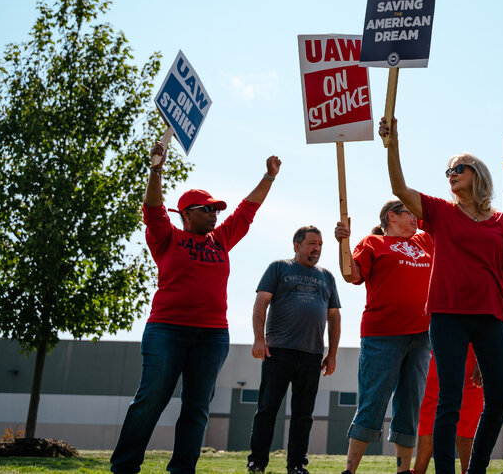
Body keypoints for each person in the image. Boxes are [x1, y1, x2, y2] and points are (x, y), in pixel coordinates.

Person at [111, 140, 280, 474]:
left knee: (197, 407)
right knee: (150, 400)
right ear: (187, 213)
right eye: (208, 209)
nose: (215, 214)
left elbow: (246, 210)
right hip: (167, 331)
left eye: (217, 209)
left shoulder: (222, 240)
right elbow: (153, 209)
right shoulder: (167, 237)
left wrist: (269, 177)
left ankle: (182, 469)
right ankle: (125, 467)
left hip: (212, 336)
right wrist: (156, 170)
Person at [380, 117, 503, 474]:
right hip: (447, 314)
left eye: (459, 168)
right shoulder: (440, 211)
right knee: (449, 398)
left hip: (491, 316)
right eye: (448, 170)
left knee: (498, 398)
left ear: (477, 174)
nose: (451, 173)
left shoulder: (500, 222)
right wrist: (394, 143)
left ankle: (475, 470)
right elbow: (400, 187)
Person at [334, 200, 434, 474]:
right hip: (383, 335)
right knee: (373, 402)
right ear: (391, 216)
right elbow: (350, 275)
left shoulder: (425, 241)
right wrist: (344, 242)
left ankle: (403, 471)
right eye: (408, 213)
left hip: (422, 336)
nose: (415, 218)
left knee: (409, 405)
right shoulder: (373, 243)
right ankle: (350, 470)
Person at [247, 226, 341, 474]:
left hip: (312, 355)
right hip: (278, 351)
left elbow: (334, 317)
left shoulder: (327, 277)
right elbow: (261, 302)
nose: (317, 249)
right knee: (267, 409)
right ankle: (257, 461)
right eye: (312, 243)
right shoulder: (279, 267)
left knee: (303, 414)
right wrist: (259, 338)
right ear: (296, 245)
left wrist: (332, 354)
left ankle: (297, 464)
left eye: (320, 244)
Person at [413, 349, 484, 474]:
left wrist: (483, 358)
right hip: (437, 351)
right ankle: (418, 471)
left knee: (467, 423)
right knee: (428, 419)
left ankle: (468, 471)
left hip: (472, 354)